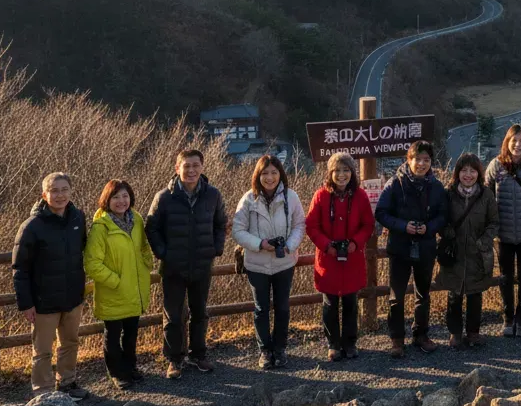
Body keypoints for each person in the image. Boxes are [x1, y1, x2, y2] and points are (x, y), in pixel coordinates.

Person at [146, 148, 227, 379]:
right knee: (173, 315)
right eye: (186, 166)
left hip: (202, 264)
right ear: (177, 168)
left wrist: (216, 248)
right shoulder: (164, 196)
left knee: (200, 312)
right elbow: (151, 227)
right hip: (173, 266)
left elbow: (220, 223)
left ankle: (198, 354)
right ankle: (174, 359)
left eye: (195, 165)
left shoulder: (212, 194)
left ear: (202, 167)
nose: (191, 170)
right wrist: (163, 253)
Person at [12, 172, 90, 398]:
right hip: (43, 300)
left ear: (71, 191)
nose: (60, 195)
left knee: (70, 343)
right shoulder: (32, 226)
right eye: (54, 190)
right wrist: (26, 304)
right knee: (42, 351)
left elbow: (82, 251)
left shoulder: (78, 218)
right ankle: (44, 393)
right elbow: (20, 268)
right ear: (44, 194)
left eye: (64, 189)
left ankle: (67, 383)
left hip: (72, 296)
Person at [232, 154, 305, 370]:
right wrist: (260, 243)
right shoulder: (248, 199)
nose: (270, 177)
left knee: (282, 307)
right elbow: (237, 230)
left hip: (284, 262)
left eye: (274, 172)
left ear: (281, 174)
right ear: (258, 175)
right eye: (265, 173)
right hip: (256, 263)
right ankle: (265, 350)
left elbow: (300, 224)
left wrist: (289, 245)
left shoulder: (291, 197)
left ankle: (280, 349)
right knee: (261, 308)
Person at [375, 140, 447, 357]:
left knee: (423, 294)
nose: (422, 164)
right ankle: (397, 339)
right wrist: (403, 226)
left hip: (425, 247)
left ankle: (421, 335)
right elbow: (381, 212)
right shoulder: (395, 184)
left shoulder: (436, 186)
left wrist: (428, 228)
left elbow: (443, 216)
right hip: (399, 246)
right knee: (396, 295)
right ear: (409, 160)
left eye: (426, 160)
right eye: (418, 159)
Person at [84, 179, 154, 388]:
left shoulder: (137, 220)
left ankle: (130, 367)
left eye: (125, 196)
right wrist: (115, 280)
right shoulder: (101, 227)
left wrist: (146, 263)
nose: (121, 201)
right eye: (116, 197)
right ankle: (117, 372)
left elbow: (143, 246)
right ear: (107, 200)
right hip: (113, 291)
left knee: (131, 332)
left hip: (135, 288)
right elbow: (91, 263)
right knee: (113, 335)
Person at [305, 153, 375, 362]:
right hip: (328, 259)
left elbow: (368, 225)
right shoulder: (321, 196)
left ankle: (350, 342)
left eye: (346, 170)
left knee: (351, 303)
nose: (342, 175)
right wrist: (327, 245)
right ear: (330, 173)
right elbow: (311, 225)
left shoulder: (360, 196)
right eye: (337, 170)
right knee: (330, 304)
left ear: (352, 173)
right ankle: (333, 344)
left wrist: (355, 243)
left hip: (352, 258)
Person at [433, 153, 499, 348]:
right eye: (464, 170)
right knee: (454, 294)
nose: (468, 175)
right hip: (455, 251)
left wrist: (484, 241)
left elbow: (494, 222)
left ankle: (473, 332)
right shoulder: (449, 193)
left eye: (472, 170)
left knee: (475, 294)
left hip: (477, 252)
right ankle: (455, 333)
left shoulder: (486, 195)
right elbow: (440, 219)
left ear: (479, 173)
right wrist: (446, 232)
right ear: (457, 173)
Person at [485, 123, 521, 338]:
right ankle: (508, 317)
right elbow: (487, 198)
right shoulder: (496, 166)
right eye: (514, 140)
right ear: (507, 142)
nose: (517, 145)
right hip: (504, 233)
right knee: (505, 277)